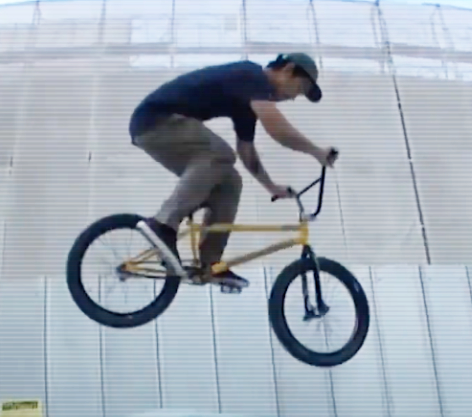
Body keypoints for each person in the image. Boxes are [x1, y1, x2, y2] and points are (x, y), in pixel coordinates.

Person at [128, 52, 338, 289]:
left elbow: (247, 152)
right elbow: (278, 130)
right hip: (156, 121)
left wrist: (271, 187)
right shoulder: (252, 75)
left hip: (157, 131)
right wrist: (316, 152)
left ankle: (210, 265)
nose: (292, 98)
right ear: (287, 70)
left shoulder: (247, 103)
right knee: (220, 154)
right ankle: (163, 224)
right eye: (298, 88)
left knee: (230, 182)